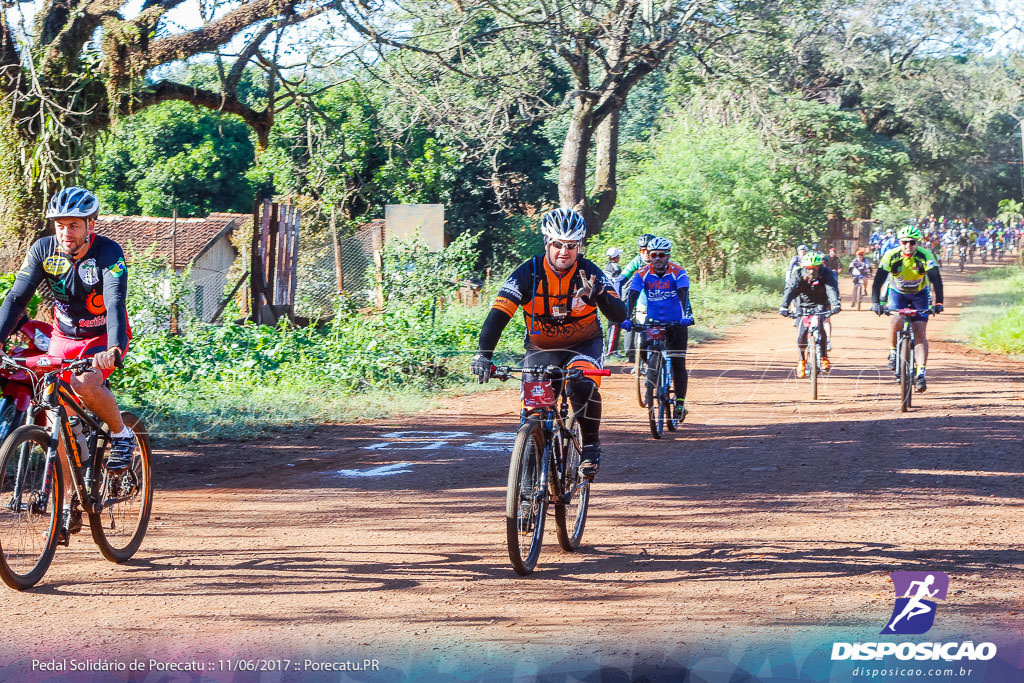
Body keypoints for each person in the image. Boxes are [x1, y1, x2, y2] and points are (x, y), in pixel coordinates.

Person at [0, 187, 136, 537]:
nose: (65, 233)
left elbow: (115, 301)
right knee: (58, 419)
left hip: (103, 337)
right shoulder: (43, 250)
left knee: (82, 383)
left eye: (73, 225)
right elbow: (17, 298)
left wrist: (116, 348)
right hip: (63, 337)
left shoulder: (108, 253)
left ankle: (121, 435)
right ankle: (70, 500)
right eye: (60, 225)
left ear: (91, 224)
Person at [470, 208, 626, 477]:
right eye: (557, 244)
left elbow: (620, 315)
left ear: (579, 247)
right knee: (535, 410)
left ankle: (590, 446)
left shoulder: (590, 273)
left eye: (571, 246)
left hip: (584, 346)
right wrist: (483, 355)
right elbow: (497, 317)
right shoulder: (527, 274)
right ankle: (529, 485)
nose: (563, 252)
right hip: (542, 349)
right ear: (547, 243)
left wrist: (600, 296)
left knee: (580, 385)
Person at [620, 236, 694, 420]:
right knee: (645, 350)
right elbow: (633, 295)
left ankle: (680, 403)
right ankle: (651, 382)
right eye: (654, 255)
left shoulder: (679, 272)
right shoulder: (642, 273)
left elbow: (683, 294)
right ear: (649, 256)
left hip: (676, 323)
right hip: (652, 322)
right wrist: (627, 318)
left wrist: (686, 317)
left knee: (678, 363)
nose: (657, 258)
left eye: (662, 255)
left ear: (668, 255)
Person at [870, 225, 944, 393]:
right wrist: (877, 302)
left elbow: (936, 280)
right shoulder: (891, 255)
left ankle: (921, 373)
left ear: (917, 243)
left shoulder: (925, 255)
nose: (908, 246)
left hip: (920, 293)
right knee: (895, 319)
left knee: (920, 331)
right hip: (898, 293)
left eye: (912, 242)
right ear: (899, 242)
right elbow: (878, 280)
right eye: (904, 242)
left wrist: (939, 302)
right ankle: (893, 351)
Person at [779, 252, 840, 378]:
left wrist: (835, 304)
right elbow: (790, 289)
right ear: (804, 267)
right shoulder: (798, 274)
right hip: (802, 304)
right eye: (808, 268)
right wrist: (784, 306)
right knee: (801, 332)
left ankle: (823, 357)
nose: (811, 271)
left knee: (820, 326)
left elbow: (831, 289)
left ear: (820, 266)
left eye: (815, 268)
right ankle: (801, 361)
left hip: (820, 303)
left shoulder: (827, 273)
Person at [603, 247, 624, 355]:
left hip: (607, 298)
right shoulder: (616, 269)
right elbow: (617, 285)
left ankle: (611, 349)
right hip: (613, 298)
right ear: (615, 258)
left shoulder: (608, 267)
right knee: (614, 324)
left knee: (613, 324)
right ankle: (611, 351)